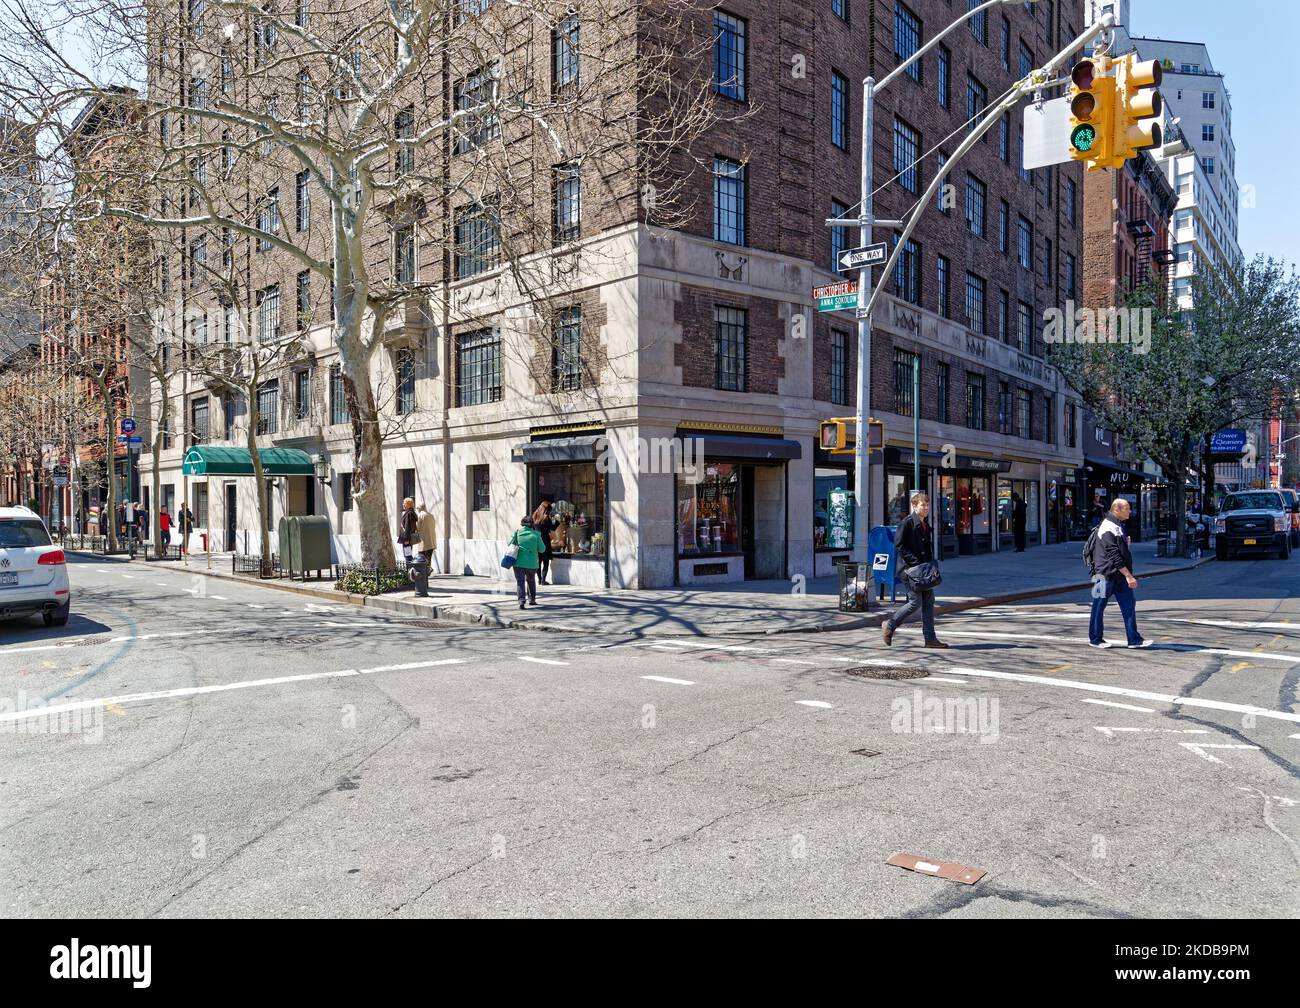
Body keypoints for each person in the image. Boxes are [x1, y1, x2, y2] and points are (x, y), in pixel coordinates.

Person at [882, 492, 948, 649]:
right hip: (909, 570)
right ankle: (890, 623)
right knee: (915, 601)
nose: (926, 508)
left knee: (928, 602)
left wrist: (929, 565)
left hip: (923, 571)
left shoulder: (924, 524)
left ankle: (930, 639)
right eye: (922, 505)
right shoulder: (906, 523)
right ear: (914, 506)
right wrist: (915, 563)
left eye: (927, 505)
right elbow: (899, 545)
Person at [1088, 498, 1149, 649]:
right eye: (1127, 508)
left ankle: (1134, 639)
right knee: (1098, 607)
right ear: (1117, 509)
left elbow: (1118, 551)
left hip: (1117, 575)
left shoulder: (1117, 525)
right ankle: (1095, 639)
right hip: (1104, 575)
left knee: (1129, 606)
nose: (1130, 511)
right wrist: (1129, 575)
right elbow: (1113, 555)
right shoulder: (1108, 526)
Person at [509, 516, 545, 610]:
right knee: (531, 580)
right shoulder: (536, 535)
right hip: (532, 563)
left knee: (520, 582)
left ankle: (521, 601)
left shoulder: (517, 533)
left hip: (518, 562)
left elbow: (509, 543)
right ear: (532, 524)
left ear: (522, 524)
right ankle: (532, 599)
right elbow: (542, 549)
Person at [532, 500, 555, 585]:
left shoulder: (535, 515)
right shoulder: (546, 517)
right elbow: (553, 528)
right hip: (545, 541)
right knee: (546, 561)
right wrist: (555, 520)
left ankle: (539, 579)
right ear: (546, 510)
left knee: (538, 561)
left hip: (537, 541)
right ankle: (543, 580)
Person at [415, 502, 437, 569]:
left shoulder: (420, 515)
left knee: (422, 558)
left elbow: (417, 528)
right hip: (432, 540)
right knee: (429, 557)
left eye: (417, 508)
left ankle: (423, 572)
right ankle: (428, 569)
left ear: (420, 508)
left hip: (423, 541)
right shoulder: (431, 515)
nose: (417, 510)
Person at [397, 497, 418, 562]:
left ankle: (410, 569)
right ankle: (411, 569)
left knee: (407, 556)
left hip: (407, 539)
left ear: (407, 504)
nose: (403, 504)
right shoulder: (411, 512)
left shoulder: (409, 513)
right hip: (408, 538)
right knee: (408, 554)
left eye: (404, 503)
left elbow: (407, 527)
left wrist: (406, 539)